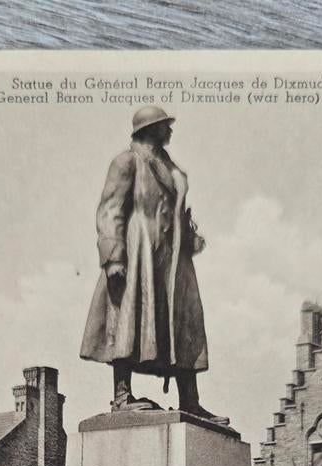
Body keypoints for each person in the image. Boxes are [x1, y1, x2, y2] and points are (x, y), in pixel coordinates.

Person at [80, 106, 229, 425]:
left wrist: (190, 238)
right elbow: (110, 209)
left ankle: (189, 400)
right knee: (128, 320)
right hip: (140, 252)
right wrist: (113, 256)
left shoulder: (170, 168)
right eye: (166, 125)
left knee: (184, 324)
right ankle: (122, 395)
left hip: (173, 259)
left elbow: (175, 214)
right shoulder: (127, 161)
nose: (171, 130)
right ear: (151, 128)